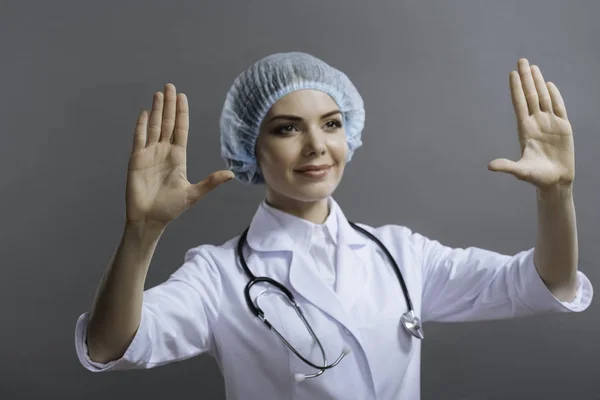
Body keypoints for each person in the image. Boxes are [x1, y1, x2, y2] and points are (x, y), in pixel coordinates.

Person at [74, 52, 593, 399]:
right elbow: (110, 345)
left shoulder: (401, 254)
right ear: (250, 146)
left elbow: (545, 285)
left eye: (331, 123)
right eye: (287, 129)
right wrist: (141, 232)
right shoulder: (217, 276)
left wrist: (557, 195)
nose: (317, 146)